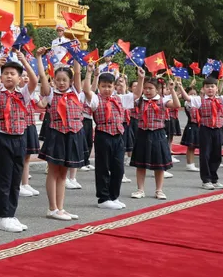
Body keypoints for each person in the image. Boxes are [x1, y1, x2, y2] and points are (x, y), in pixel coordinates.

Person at [0, 55, 38, 230]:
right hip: (3, 138)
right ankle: (3, 216)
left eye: (13, 74)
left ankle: (11, 213)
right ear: (1, 77)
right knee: (3, 177)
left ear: (19, 78)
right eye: (6, 73)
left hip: (20, 138)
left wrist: (24, 62)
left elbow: (34, 81)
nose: (9, 76)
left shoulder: (23, 94)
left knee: (16, 178)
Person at [36, 50, 85, 220]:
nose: (62, 83)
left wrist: (76, 53)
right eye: (58, 80)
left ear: (70, 81)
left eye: (65, 80)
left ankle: (61, 208)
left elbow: (77, 72)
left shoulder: (76, 92)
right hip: (56, 135)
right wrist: (39, 58)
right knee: (53, 171)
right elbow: (43, 76)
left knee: (63, 174)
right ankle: (52, 208)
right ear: (54, 80)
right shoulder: (51, 94)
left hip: (72, 135)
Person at [177, 77, 223, 189]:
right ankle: (206, 180)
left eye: (212, 86)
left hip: (218, 129)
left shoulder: (222, 99)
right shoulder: (199, 99)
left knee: (216, 155)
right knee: (205, 155)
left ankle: (214, 179)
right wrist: (180, 86)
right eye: (207, 87)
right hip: (205, 129)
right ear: (203, 89)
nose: (210, 89)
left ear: (217, 88)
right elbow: (187, 98)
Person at [83, 68, 139, 210]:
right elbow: (87, 91)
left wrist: (141, 78)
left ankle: (114, 196)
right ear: (99, 86)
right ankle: (103, 198)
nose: (106, 89)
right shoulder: (96, 99)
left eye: (109, 86)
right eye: (103, 86)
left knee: (118, 168)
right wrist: (90, 74)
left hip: (118, 136)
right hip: (103, 135)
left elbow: (137, 94)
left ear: (114, 86)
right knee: (103, 168)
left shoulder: (120, 98)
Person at [129, 75, 180, 201]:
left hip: (158, 134)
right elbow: (133, 98)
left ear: (157, 89)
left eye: (150, 88)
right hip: (142, 133)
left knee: (159, 165)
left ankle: (159, 190)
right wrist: (140, 80)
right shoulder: (140, 101)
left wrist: (172, 90)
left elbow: (176, 104)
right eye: (145, 88)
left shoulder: (162, 101)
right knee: (140, 164)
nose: (147, 91)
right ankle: (140, 189)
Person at [18, 68, 41, 197]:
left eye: (27, 75)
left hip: (30, 124)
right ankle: (18, 184)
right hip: (21, 126)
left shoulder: (32, 93)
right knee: (20, 156)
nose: (26, 78)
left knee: (27, 156)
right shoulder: (19, 92)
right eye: (23, 76)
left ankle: (25, 183)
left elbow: (41, 104)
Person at [180, 91, 201, 172]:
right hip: (191, 126)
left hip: (199, 126)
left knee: (196, 146)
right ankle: (190, 164)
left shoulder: (198, 102)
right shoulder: (188, 103)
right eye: (191, 94)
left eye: (195, 94)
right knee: (191, 146)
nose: (193, 95)